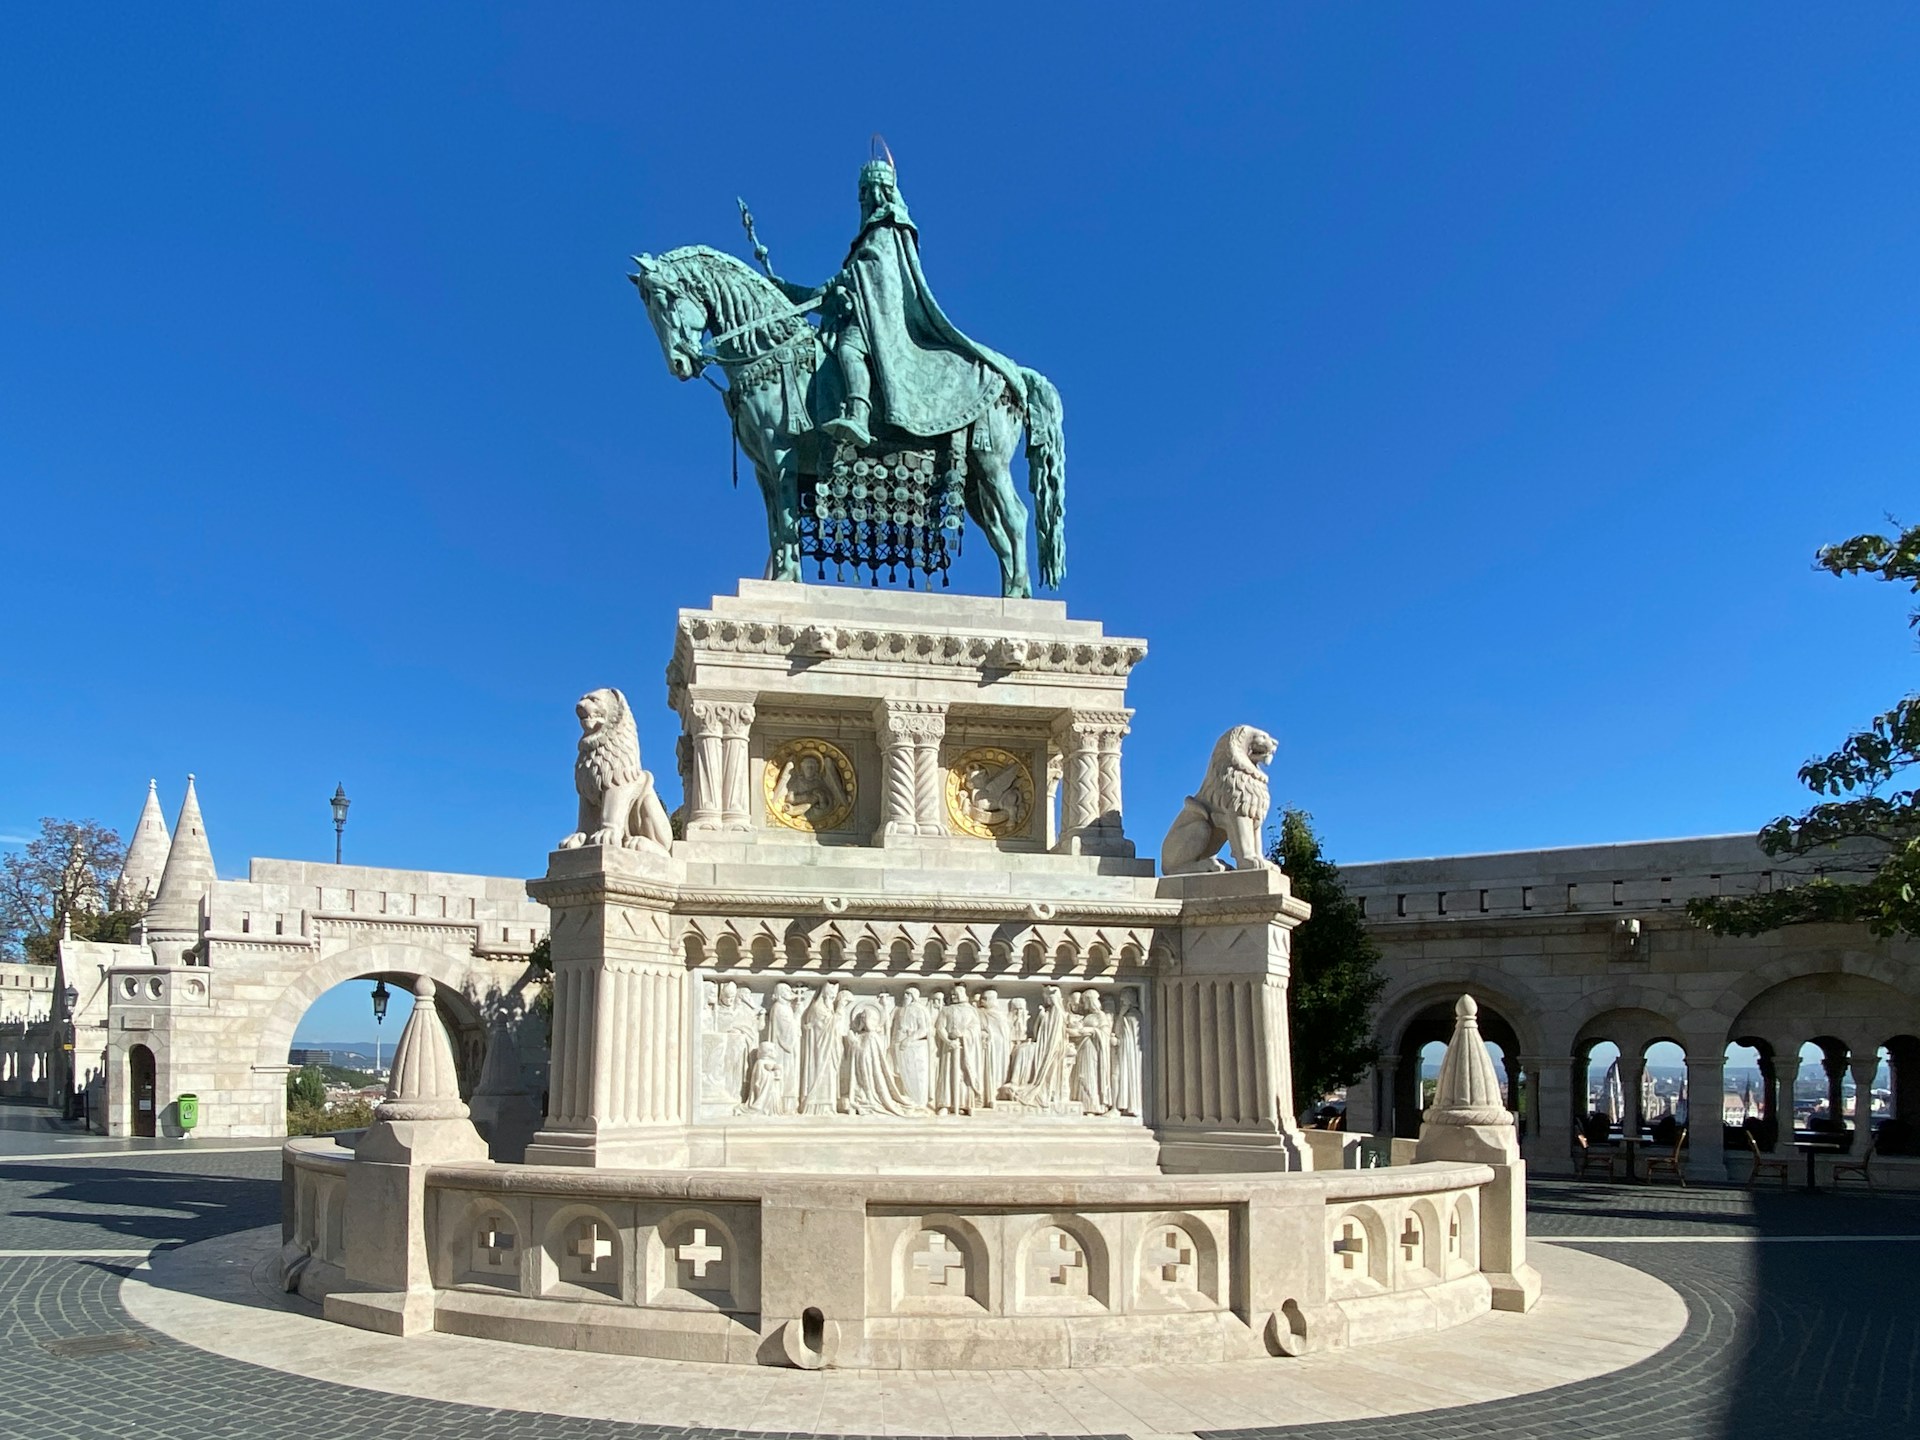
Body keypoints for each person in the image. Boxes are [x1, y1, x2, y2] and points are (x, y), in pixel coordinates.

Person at [767, 154, 1023, 448]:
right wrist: (787, 289)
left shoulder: (887, 228)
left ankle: (859, 415)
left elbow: (876, 273)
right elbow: (835, 289)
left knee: (849, 348)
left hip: (882, 319)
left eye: (865, 191)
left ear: (878, 190)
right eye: (860, 192)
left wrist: (847, 286)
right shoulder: (872, 233)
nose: (862, 199)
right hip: (866, 312)